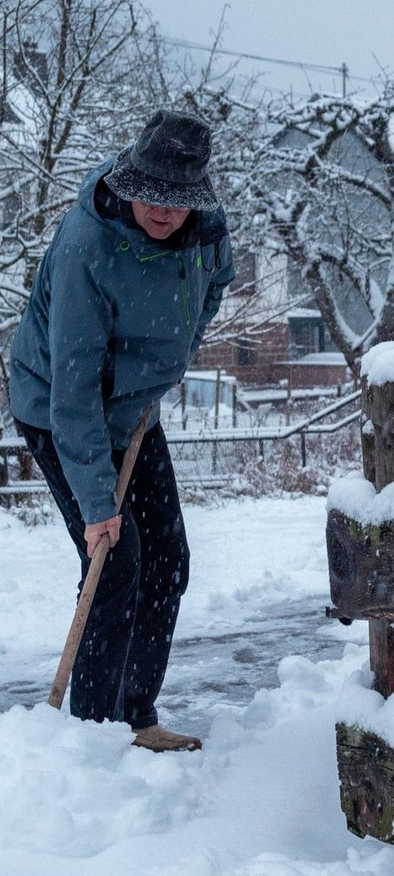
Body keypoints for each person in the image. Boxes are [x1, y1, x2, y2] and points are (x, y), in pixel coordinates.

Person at [7, 110, 235, 752]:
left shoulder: (208, 234)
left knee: (168, 558)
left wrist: (163, 364)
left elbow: (214, 286)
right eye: (151, 196)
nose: (162, 212)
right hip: (60, 405)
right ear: (130, 179)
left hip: (134, 409)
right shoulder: (89, 245)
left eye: (177, 200)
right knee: (115, 559)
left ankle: (136, 716)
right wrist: (97, 504)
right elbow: (74, 392)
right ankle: (92, 735)